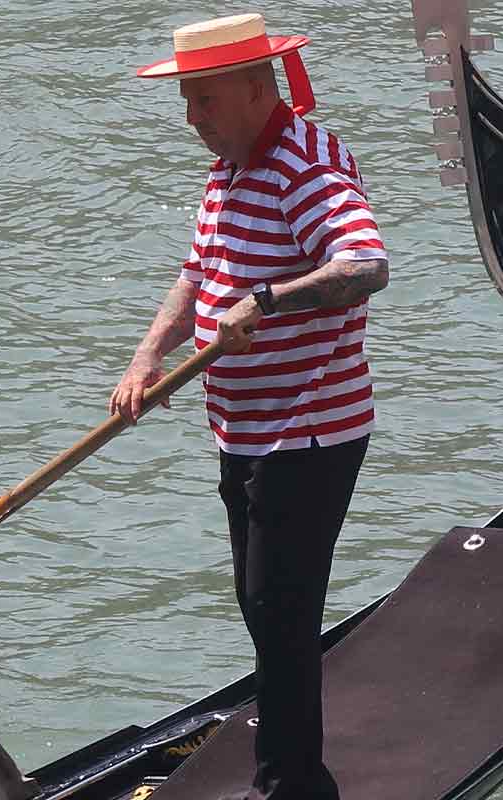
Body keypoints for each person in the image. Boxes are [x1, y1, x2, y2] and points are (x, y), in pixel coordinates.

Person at [109, 13, 388, 800]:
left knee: (280, 609)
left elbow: (365, 265)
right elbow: (198, 273)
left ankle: (290, 788)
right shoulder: (230, 169)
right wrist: (148, 353)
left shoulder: (304, 165)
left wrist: (268, 300)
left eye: (202, 99)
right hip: (247, 432)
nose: (191, 119)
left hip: (309, 431)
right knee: (264, 608)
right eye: (187, 100)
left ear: (255, 89)